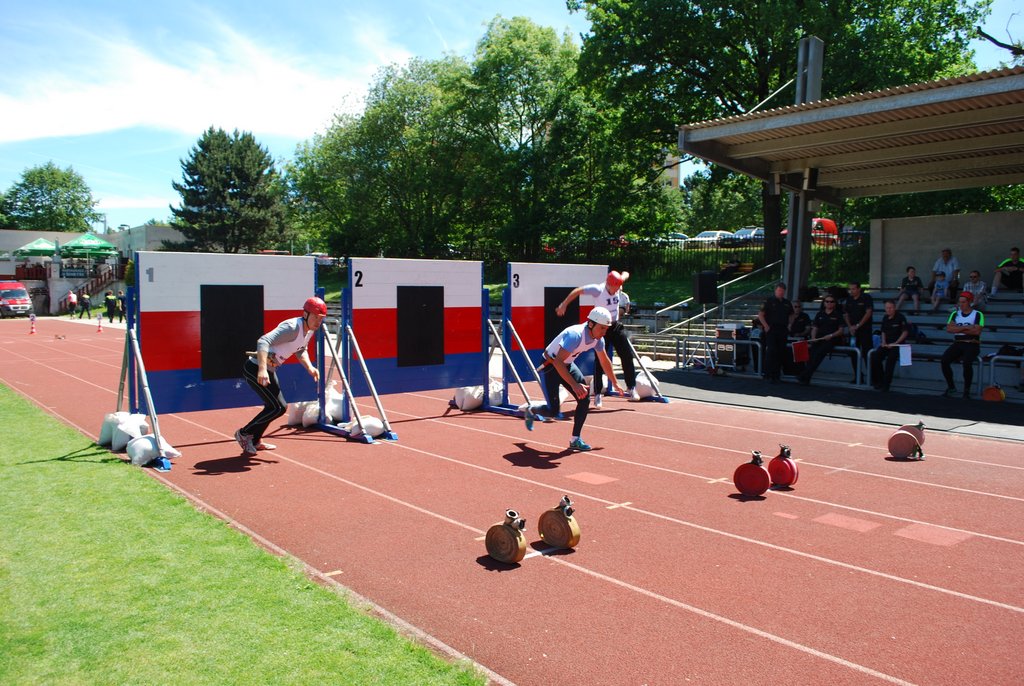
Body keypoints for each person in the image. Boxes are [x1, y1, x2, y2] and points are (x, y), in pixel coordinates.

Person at [235, 297, 326, 455]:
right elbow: (263, 341)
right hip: (255, 368)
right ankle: (244, 433)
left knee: (274, 407)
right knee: (278, 407)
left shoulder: (309, 331)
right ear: (305, 314)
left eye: (321, 319)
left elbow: (300, 349)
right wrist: (262, 369)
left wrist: (310, 367)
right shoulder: (292, 327)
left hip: (270, 370)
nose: (318, 322)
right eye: (316, 317)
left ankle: (255, 440)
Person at [525, 306, 623, 451]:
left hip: (567, 364)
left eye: (606, 328)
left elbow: (604, 361)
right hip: (551, 365)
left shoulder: (598, 340)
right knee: (553, 411)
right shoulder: (575, 335)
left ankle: (575, 439)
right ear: (591, 324)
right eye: (602, 328)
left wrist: (614, 382)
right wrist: (574, 385)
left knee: (584, 398)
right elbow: (558, 362)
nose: (604, 332)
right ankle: (531, 410)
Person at [555, 270, 637, 405]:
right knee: (600, 360)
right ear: (609, 284)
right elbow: (577, 291)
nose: (616, 290)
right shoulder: (598, 290)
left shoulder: (617, 285)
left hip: (615, 325)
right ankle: (598, 393)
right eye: (615, 287)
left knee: (627, 354)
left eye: (618, 287)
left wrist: (623, 276)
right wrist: (564, 304)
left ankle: (631, 387)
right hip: (601, 327)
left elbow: (626, 274)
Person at [940, 291, 984, 399]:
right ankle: (951, 387)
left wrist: (958, 328)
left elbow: (977, 332)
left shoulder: (978, 314)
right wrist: (967, 327)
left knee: (967, 363)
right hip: (958, 343)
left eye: (963, 302)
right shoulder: (954, 314)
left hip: (972, 343)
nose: (961, 304)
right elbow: (949, 329)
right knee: (944, 360)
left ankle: (966, 390)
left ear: (969, 302)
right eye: (960, 302)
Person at [797, 295, 845, 386]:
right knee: (811, 355)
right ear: (824, 303)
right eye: (827, 301)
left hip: (832, 339)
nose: (829, 303)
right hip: (819, 338)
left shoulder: (838, 315)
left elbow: (841, 330)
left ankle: (804, 375)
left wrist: (831, 335)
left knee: (819, 354)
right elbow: (815, 327)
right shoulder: (820, 314)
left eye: (831, 301)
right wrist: (813, 337)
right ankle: (806, 378)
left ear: (835, 303)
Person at [757, 282, 793, 383]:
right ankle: (767, 373)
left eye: (782, 291)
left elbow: (791, 314)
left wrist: (790, 324)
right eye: (779, 290)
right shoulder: (769, 301)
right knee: (771, 351)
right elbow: (761, 314)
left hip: (783, 329)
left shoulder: (787, 303)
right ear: (775, 290)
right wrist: (766, 326)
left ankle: (776, 374)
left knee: (781, 351)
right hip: (772, 329)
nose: (781, 293)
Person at [871, 300, 910, 391]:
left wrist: (896, 343)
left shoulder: (900, 317)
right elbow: (883, 331)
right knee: (875, 357)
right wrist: (883, 342)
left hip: (897, 344)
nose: (888, 310)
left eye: (890, 308)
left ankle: (886, 384)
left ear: (894, 308)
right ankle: (880, 380)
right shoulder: (885, 318)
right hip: (887, 344)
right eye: (887, 308)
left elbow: (905, 332)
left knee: (890, 362)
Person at [843, 282, 874, 383]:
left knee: (867, 353)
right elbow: (846, 314)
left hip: (865, 330)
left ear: (859, 289)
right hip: (853, 332)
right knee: (853, 353)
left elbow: (868, 313)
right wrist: (850, 327)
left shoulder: (866, 298)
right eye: (850, 289)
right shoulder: (849, 299)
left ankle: (873, 377)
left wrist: (858, 326)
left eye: (853, 289)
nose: (851, 291)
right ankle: (858, 376)